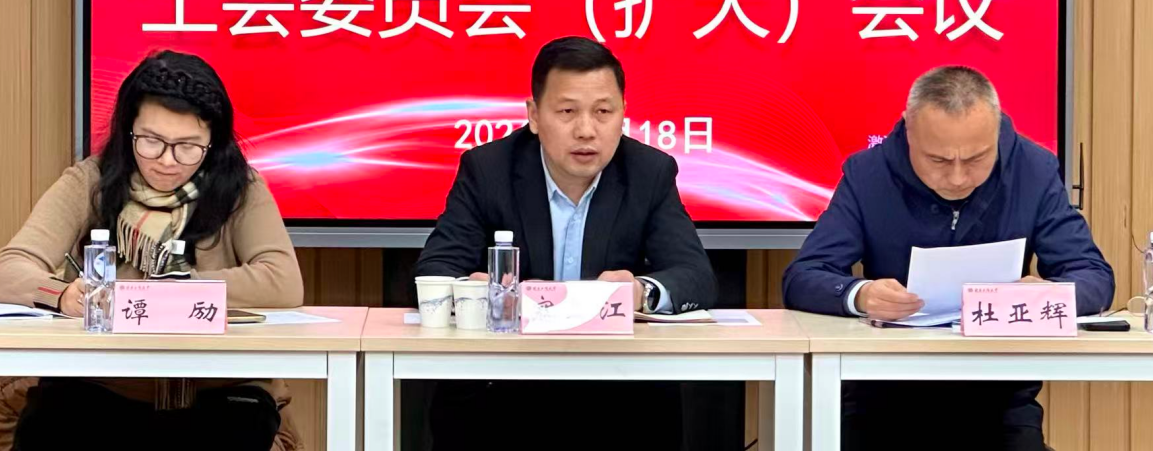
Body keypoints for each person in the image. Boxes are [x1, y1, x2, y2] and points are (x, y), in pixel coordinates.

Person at [783, 66, 1114, 451]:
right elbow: (803, 277)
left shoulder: (1033, 169)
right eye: (939, 161)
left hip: (998, 397)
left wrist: (1045, 296)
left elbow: (1093, 276)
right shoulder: (868, 173)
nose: (958, 178)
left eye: (976, 158)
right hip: (883, 394)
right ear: (909, 131)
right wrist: (861, 295)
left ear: (996, 132)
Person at [0, 51, 305, 451]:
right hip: (100, 387)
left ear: (213, 143)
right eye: (152, 142)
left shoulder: (240, 188)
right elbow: (8, 270)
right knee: (49, 426)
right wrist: (64, 295)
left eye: (188, 146)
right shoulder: (92, 181)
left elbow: (282, 280)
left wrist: (174, 291)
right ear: (128, 132)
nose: (168, 161)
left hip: (218, 392)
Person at [417, 36, 717, 449]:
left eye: (603, 112)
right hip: (504, 392)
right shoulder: (488, 169)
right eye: (567, 111)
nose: (586, 130)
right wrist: (476, 291)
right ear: (534, 115)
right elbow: (436, 270)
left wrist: (639, 292)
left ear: (623, 114)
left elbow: (696, 277)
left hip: (620, 395)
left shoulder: (649, 172)